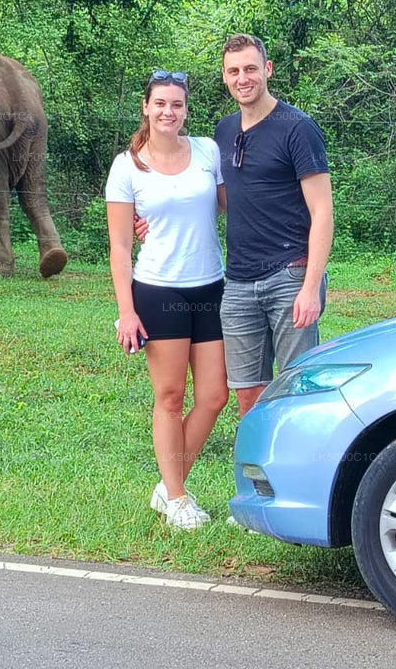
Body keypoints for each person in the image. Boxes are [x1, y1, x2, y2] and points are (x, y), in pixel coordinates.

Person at [106, 69, 228, 530]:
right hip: (158, 290)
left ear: (186, 110)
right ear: (146, 107)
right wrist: (126, 312)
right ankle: (176, 496)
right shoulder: (127, 166)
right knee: (171, 396)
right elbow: (120, 246)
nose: (168, 112)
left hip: (210, 287)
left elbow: (228, 205)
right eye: (160, 103)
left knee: (214, 395)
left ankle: (167, 485)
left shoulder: (208, 151)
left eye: (176, 104)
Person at [212, 34, 334, 418]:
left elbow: (323, 212)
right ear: (224, 76)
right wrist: (153, 220)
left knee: (297, 386)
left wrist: (310, 288)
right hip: (238, 280)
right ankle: (258, 452)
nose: (242, 78)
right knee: (247, 391)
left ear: (267, 69)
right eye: (233, 71)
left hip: (290, 275)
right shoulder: (223, 131)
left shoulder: (297, 128)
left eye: (250, 68)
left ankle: (301, 451)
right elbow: (220, 201)